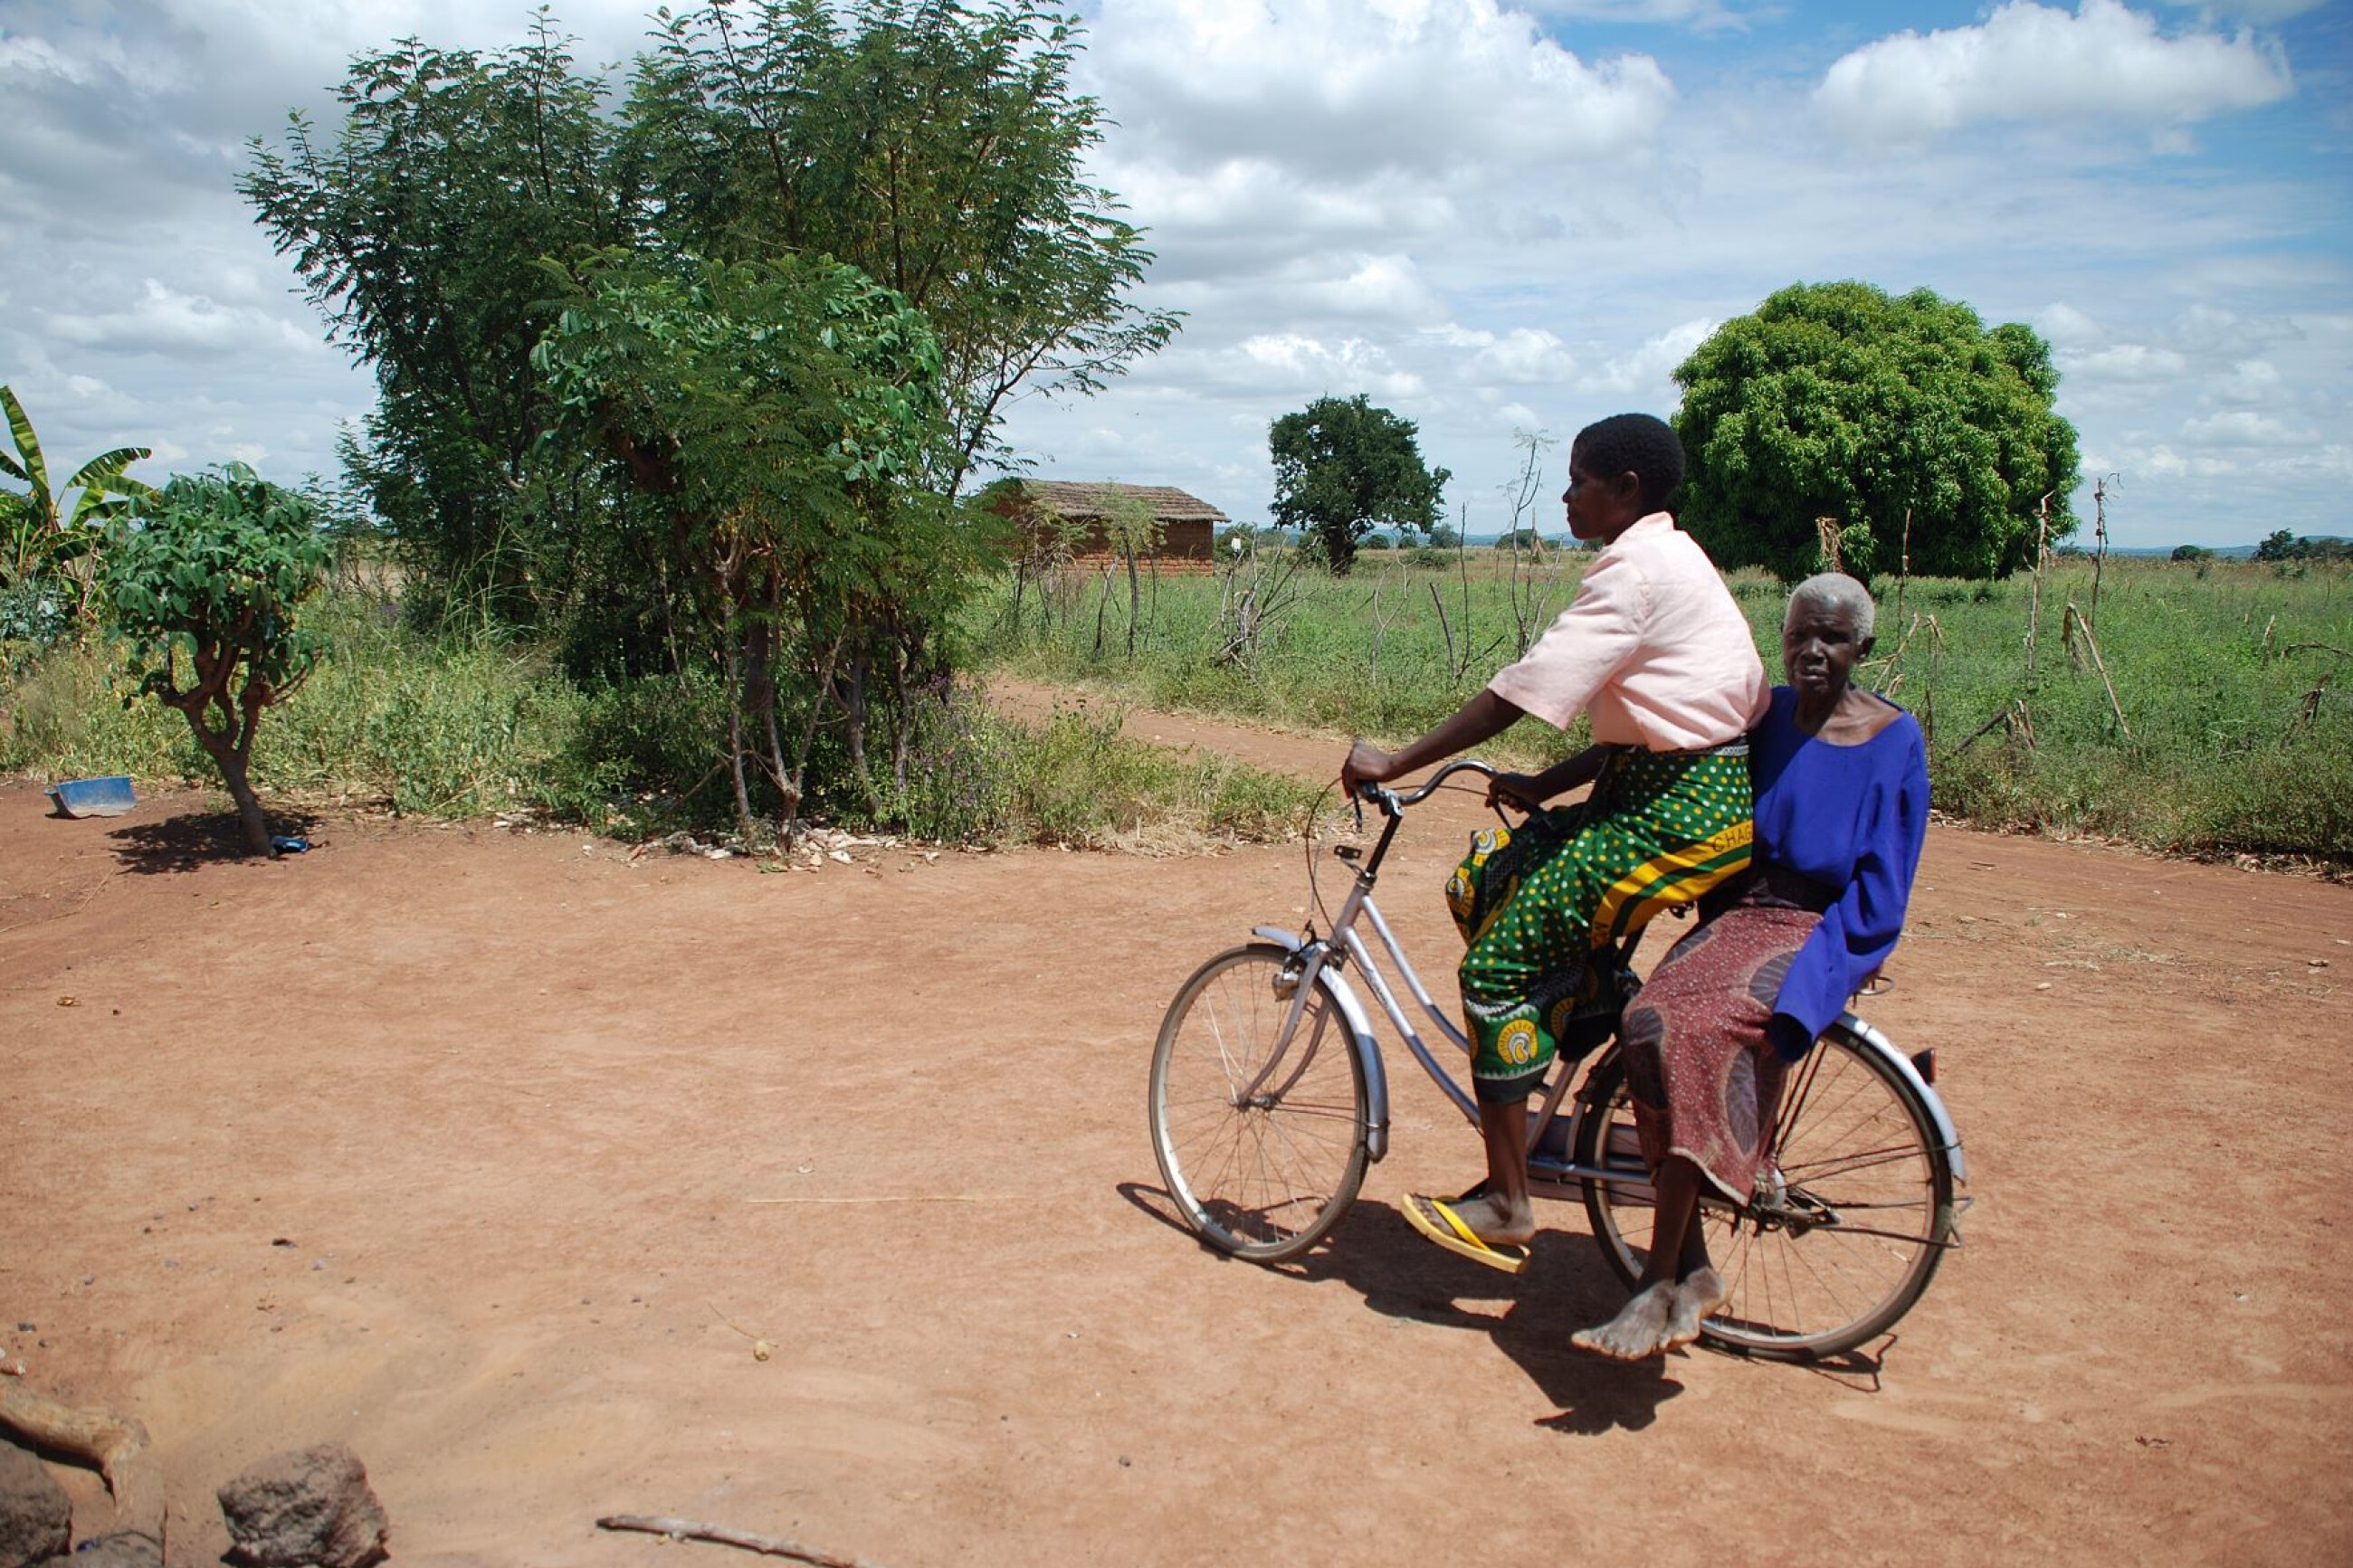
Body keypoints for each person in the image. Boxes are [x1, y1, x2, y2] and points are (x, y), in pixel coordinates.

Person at [1340, 413, 1767, 1274]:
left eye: (1580, 480)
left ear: (1627, 490)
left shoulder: (1633, 570)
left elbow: (1520, 694)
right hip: (1668, 789)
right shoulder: (1674, 555)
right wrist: (1545, 788)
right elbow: (1658, 713)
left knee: (1494, 970)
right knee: (1493, 882)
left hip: (1674, 811)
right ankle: (1589, 1001)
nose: (1567, 495)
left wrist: (1396, 758)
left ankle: (1506, 1200)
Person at [1571, 572, 1930, 1359]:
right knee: (1644, 1019)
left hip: (1813, 930)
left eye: (1831, 638)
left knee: (1699, 1027)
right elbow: (1664, 764)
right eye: (1800, 633)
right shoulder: (1761, 715)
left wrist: (1827, 973)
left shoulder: (1893, 738)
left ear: (1863, 647)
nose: (1812, 651)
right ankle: (1693, 1264)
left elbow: (1884, 889)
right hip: (1733, 916)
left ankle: (1657, 1280)